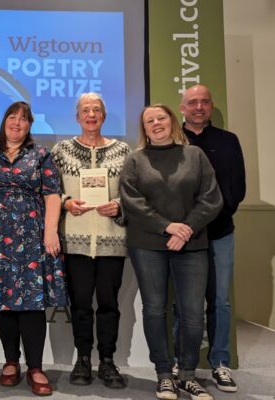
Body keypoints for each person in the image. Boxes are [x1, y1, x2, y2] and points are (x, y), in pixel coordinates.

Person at [120, 104, 222, 400]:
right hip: (147, 245)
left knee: (192, 312)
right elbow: (131, 201)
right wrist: (167, 227)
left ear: (173, 121)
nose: (156, 123)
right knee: (154, 309)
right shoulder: (136, 159)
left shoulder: (195, 155)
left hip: (191, 244)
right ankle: (163, 374)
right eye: (149, 121)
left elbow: (211, 198)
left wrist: (185, 228)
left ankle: (188, 374)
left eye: (161, 118)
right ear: (144, 129)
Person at [0, 101, 67, 397]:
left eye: (23, 120)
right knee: (4, 300)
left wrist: (50, 232)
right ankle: (11, 362)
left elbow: (53, 195)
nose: (17, 123)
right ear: (4, 122)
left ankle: (35, 367)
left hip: (31, 238)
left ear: (29, 126)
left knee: (32, 302)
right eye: (12, 117)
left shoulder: (40, 155)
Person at [51, 92, 130, 389]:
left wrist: (120, 204)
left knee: (109, 304)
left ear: (104, 116)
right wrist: (66, 202)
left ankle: (107, 361)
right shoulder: (61, 150)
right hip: (75, 241)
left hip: (112, 239)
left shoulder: (123, 150)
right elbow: (49, 190)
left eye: (97, 109)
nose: (91, 114)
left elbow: (134, 191)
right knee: (81, 305)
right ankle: (83, 359)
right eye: (86, 110)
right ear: (77, 116)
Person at [175, 84, 246, 393]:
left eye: (204, 102)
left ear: (211, 105)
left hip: (219, 233)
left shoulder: (228, 141)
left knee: (219, 301)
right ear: (182, 107)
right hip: (184, 237)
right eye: (192, 102)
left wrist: (209, 216)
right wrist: (188, 225)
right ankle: (181, 360)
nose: (199, 107)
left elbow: (236, 189)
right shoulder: (171, 140)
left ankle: (220, 362)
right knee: (183, 303)